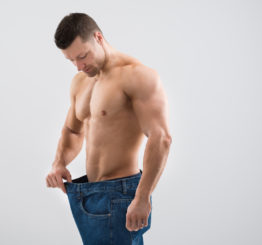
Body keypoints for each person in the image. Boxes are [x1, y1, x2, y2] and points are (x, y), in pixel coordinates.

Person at [45, 12, 172, 245]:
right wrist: (59, 163)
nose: (78, 66)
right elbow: (73, 131)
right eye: (71, 60)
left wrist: (143, 196)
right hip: (88, 194)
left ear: (98, 38)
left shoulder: (137, 76)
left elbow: (160, 138)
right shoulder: (81, 81)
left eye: (82, 56)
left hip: (121, 193)